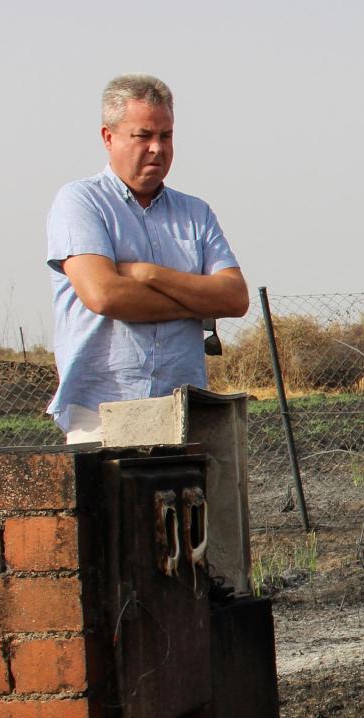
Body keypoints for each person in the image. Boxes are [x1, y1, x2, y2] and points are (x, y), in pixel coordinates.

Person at [46, 74, 248, 443]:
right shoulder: (81, 202)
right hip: (101, 414)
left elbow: (235, 298)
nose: (157, 148)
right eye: (143, 136)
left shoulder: (195, 213)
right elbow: (105, 296)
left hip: (184, 414)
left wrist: (149, 274)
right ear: (108, 137)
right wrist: (195, 303)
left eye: (166, 136)